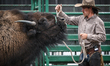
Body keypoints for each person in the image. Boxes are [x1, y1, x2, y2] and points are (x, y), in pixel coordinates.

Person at [55, 0, 106, 66]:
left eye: (84, 8)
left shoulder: (98, 21)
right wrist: (60, 12)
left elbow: (103, 37)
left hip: (94, 54)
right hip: (83, 53)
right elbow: (69, 20)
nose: (82, 10)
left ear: (90, 8)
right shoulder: (81, 19)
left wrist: (87, 36)